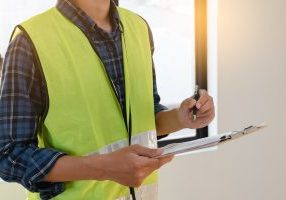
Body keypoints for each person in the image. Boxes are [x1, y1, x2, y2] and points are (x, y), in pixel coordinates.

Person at [0, 0, 215, 199]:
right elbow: (9, 155)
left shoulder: (138, 28)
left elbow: (142, 117)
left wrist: (181, 118)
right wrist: (104, 168)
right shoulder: (29, 42)